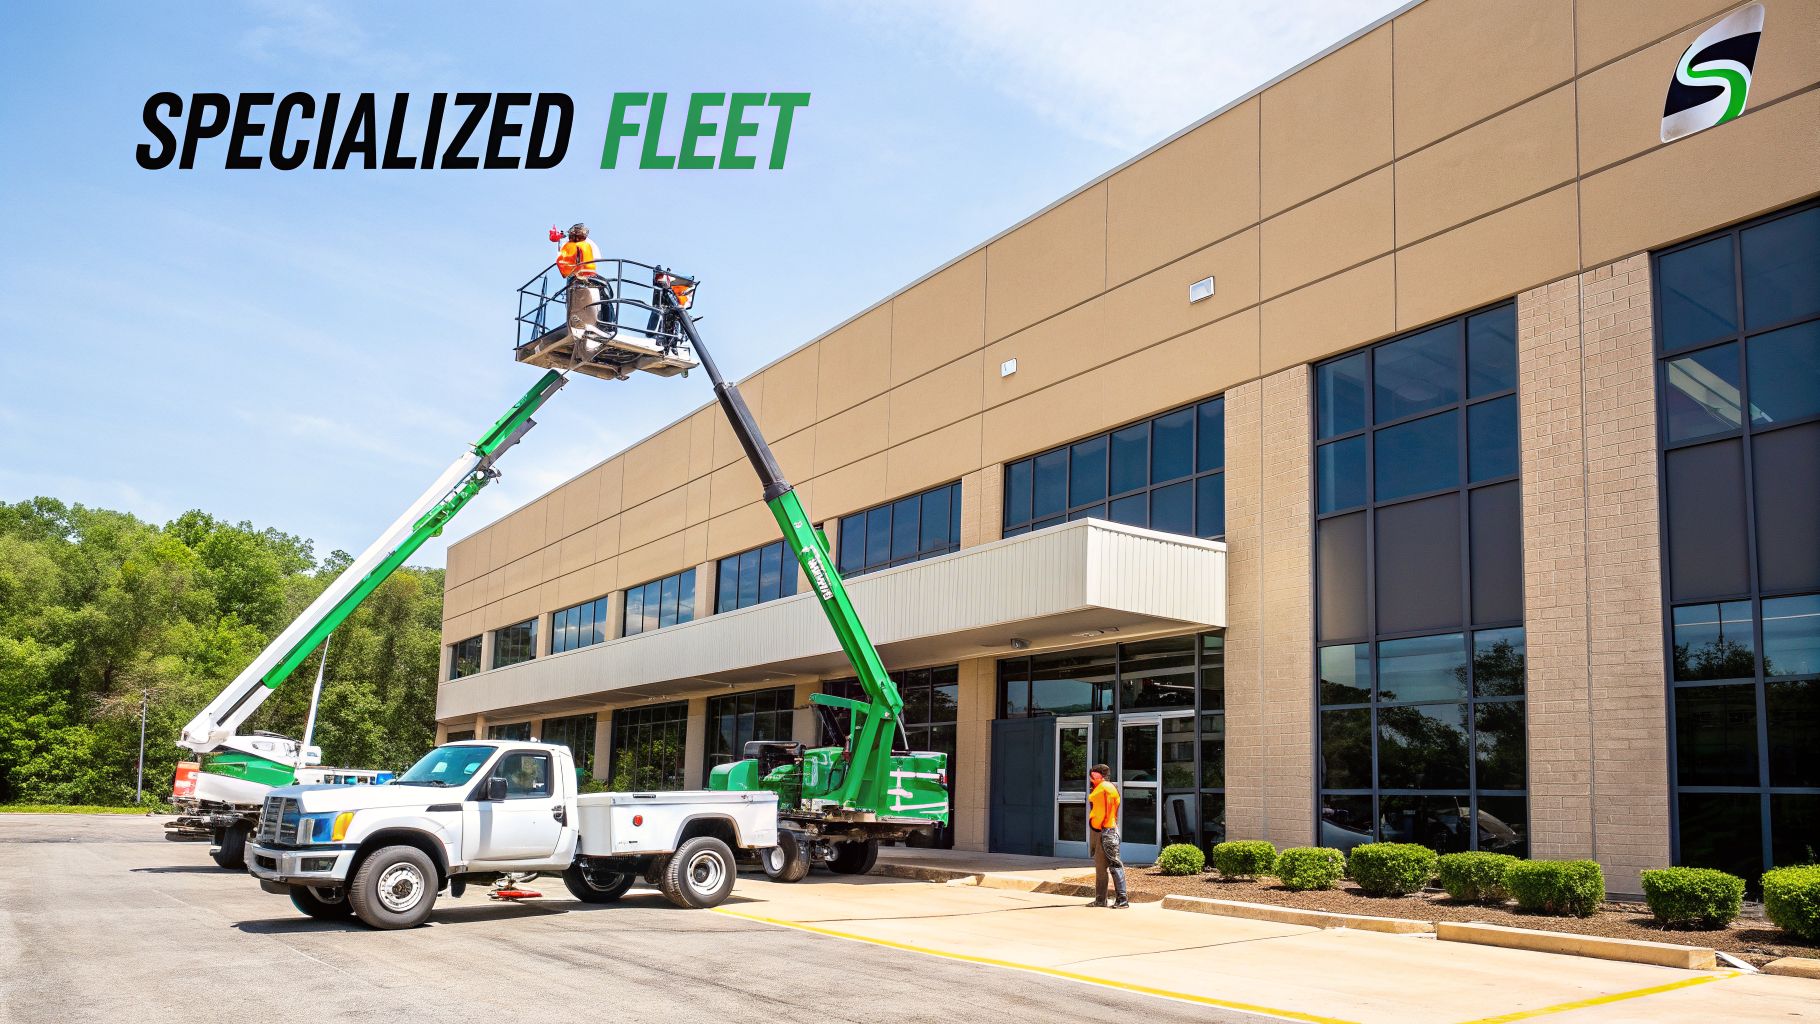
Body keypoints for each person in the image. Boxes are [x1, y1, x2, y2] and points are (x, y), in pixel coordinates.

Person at [556, 223, 616, 334]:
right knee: (603, 291)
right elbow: (564, 264)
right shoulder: (570, 247)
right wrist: (576, 274)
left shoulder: (583, 245)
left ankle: (608, 323)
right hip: (578, 276)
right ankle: (608, 324)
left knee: (606, 291)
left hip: (588, 275)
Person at [1088, 763, 1128, 908]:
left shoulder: (1101, 789)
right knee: (1103, 865)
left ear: (1098, 775)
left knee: (1113, 864)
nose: (1091, 779)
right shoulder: (1112, 787)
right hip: (1111, 829)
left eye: (1092, 776)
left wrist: (1094, 826)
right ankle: (1101, 900)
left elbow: (1099, 813)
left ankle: (1122, 900)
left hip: (1104, 830)